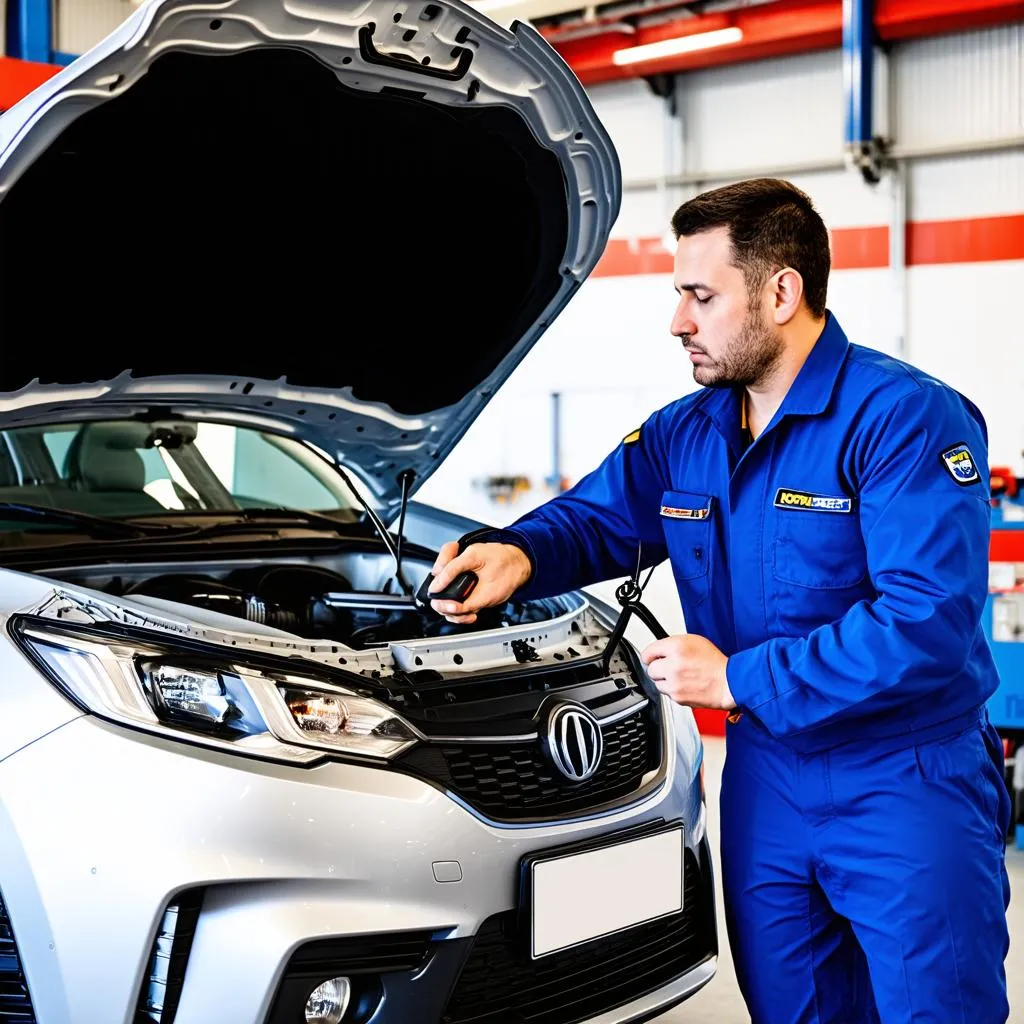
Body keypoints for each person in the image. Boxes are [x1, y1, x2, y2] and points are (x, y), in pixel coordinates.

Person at [427, 178, 1012, 1023]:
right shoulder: (687, 432)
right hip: (767, 780)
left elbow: (926, 621)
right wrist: (518, 551)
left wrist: (741, 679)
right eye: (678, 296)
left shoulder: (904, 419)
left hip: (905, 780)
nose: (678, 321)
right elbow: (597, 518)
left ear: (781, 292)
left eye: (700, 296)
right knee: (791, 1007)